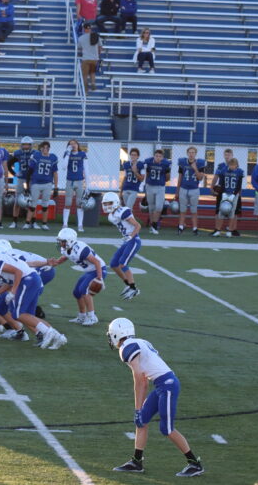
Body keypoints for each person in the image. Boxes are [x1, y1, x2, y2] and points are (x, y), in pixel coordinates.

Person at [107, 318, 205, 477]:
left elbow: (140, 381)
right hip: (162, 384)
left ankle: (195, 463)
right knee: (142, 420)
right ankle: (136, 462)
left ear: (117, 334)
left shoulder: (127, 348)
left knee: (166, 429)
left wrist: (137, 408)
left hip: (167, 385)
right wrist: (139, 411)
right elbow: (144, 378)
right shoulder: (140, 342)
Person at [0, 238, 67, 349]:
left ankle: (48, 332)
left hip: (27, 280)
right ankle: (58, 337)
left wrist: (13, 292)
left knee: (18, 314)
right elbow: (9, 281)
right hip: (31, 278)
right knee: (27, 316)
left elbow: (18, 272)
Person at [52, 228, 104, 326]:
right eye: (60, 241)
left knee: (84, 290)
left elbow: (97, 262)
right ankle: (82, 316)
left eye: (62, 241)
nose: (60, 243)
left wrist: (99, 278)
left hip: (98, 269)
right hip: (89, 271)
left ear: (70, 241)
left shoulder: (80, 249)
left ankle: (92, 317)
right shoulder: (67, 248)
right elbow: (65, 257)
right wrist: (54, 263)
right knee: (77, 292)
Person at [101, 193, 143, 300]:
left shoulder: (123, 211)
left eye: (109, 203)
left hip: (133, 240)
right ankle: (128, 284)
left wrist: (130, 236)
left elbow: (138, 225)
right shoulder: (111, 216)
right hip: (127, 241)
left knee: (123, 264)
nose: (107, 206)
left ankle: (133, 288)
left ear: (116, 202)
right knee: (114, 264)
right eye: (105, 203)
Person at [211, 149, 244, 237]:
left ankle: (231, 230)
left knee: (233, 212)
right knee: (221, 210)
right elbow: (220, 181)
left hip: (234, 193)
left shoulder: (239, 171)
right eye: (226, 155)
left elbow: (239, 185)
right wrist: (214, 188)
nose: (227, 156)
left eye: (229, 155)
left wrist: (236, 194)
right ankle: (218, 229)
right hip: (224, 193)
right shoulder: (222, 168)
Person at [175, 146, 206, 236]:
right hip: (183, 188)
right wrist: (177, 191)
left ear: (195, 154)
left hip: (194, 189)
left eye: (193, 152)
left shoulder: (200, 163)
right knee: (182, 210)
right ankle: (180, 227)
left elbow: (200, 178)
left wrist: (195, 168)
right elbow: (180, 177)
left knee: (194, 210)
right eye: (190, 152)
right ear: (187, 153)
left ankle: (195, 228)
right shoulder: (182, 162)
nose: (191, 154)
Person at [28, 141, 59, 230]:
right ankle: (27, 223)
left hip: (47, 183)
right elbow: (30, 170)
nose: (45, 149)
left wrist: (56, 187)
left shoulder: (53, 157)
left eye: (47, 148)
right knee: (32, 204)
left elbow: (55, 173)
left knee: (45, 204)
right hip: (36, 183)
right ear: (40, 148)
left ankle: (44, 224)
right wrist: (28, 183)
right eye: (43, 147)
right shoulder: (36, 156)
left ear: (49, 149)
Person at [61, 139, 88, 232]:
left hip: (79, 181)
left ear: (78, 144)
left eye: (74, 143)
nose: (73, 145)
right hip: (70, 181)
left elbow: (86, 169)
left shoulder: (82, 154)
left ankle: (80, 225)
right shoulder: (67, 154)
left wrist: (87, 185)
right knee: (68, 203)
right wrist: (68, 153)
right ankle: (65, 224)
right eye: (71, 144)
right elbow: (63, 167)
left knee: (79, 204)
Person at [8, 137, 34, 228]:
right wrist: (14, 173)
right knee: (17, 200)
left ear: (31, 145)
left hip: (31, 179)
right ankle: (14, 222)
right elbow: (9, 163)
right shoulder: (18, 153)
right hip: (21, 179)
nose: (26, 146)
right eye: (24, 144)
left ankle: (32, 222)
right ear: (21, 145)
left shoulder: (35, 153)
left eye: (28, 145)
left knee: (32, 201)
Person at [143, 149, 170, 234]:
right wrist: (146, 186)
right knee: (151, 208)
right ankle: (152, 227)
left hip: (160, 187)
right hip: (150, 186)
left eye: (160, 156)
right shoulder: (148, 162)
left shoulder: (165, 164)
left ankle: (154, 225)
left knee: (159, 207)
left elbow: (167, 178)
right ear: (154, 156)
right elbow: (147, 175)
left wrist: (165, 173)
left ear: (162, 157)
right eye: (156, 156)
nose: (158, 158)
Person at [78, 25, 102, 92]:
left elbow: (79, 48)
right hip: (94, 59)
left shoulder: (81, 38)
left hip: (86, 58)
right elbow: (100, 47)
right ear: (90, 29)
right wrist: (98, 54)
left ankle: (86, 90)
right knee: (92, 72)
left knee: (85, 75)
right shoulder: (96, 36)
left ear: (84, 29)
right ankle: (93, 83)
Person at [120, 147, 144, 214]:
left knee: (128, 208)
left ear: (138, 156)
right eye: (132, 155)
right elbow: (125, 178)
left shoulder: (140, 165)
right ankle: (130, 219)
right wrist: (121, 191)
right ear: (130, 155)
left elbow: (142, 179)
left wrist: (135, 172)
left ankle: (129, 220)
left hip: (134, 189)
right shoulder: (126, 164)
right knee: (127, 208)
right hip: (126, 188)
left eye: (135, 155)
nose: (133, 156)